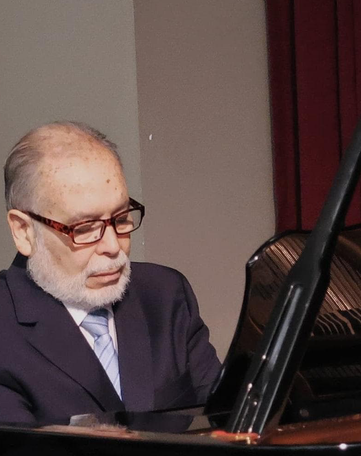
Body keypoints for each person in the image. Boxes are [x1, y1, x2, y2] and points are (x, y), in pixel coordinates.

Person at [0, 121, 221, 426]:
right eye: (84, 228)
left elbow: (226, 423)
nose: (114, 246)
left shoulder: (165, 295)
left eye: (121, 218)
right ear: (24, 231)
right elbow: (20, 454)